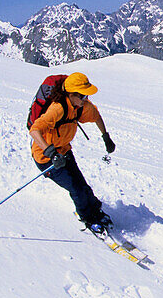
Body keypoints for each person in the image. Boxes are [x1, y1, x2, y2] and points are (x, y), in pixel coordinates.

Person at [28, 72, 117, 235]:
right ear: (71, 94)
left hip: (64, 151)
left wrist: (106, 137)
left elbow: (96, 116)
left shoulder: (81, 106)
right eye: (83, 95)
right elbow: (34, 130)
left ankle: (95, 210)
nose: (86, 99)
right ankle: (87, 217)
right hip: (46, 158)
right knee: (75, 188)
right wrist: (51, 153)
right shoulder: (57, 109)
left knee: (81, 184)